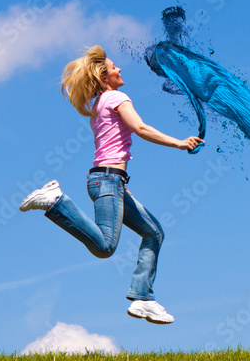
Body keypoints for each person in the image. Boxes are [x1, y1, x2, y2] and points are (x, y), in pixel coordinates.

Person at [19, 45, 203, 324]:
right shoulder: (116, 97)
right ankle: (56, 201)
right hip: (107, 181)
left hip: (112, 182)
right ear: (105, 78)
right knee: (105, 247)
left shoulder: (98, 106)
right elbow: (140, 129)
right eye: (114, 67)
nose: (119, 70)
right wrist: (179, 142)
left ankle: (142, 298)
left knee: (154, 233)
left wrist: (121, 186)